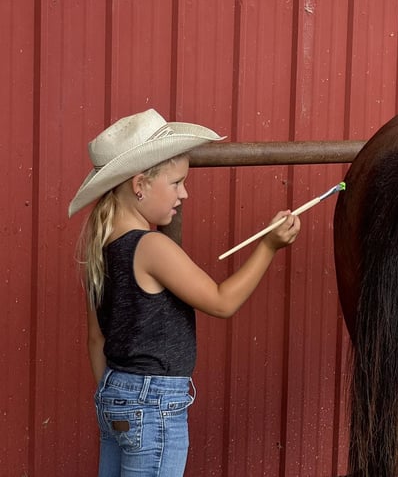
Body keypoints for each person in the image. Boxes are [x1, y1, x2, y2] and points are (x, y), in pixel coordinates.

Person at [69, 109, 301, 476]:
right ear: (139, 184)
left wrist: (115, 395)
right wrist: (268, 247)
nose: (184, 193)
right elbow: (222, 302)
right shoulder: (151, 248)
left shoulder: (99, 249)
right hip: (153, 404)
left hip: (114, 394)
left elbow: (96, 339)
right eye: (176, 183)